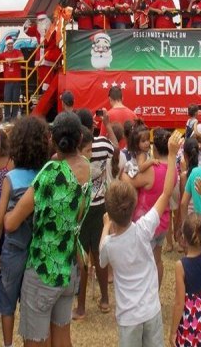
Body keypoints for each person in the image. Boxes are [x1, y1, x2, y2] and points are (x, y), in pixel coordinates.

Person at [4, 112, 91, 346]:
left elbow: (12, 222)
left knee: (36, 340)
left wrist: (5, 213)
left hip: (42, 269)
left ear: (51, 138)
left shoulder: (50, 174)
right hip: (68, 267)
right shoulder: (87, 169)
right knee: (63, 337)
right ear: (80, 137)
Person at [100, 131, 181, 347]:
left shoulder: (109, 245)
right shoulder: (144, 228)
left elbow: (100, 258)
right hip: (151, 309)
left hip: (128, 317)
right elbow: (166, 193)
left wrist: (106, 226)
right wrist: (172, 156)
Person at [0, 116, 50, 347]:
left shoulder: (11, 178)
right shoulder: (46, 174)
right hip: (38, 249)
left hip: (14, 249)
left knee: (7, 301)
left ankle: (7, 343)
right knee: (30, 301)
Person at [74, 108, 116, 318]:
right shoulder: (103, 144)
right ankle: (105, 299)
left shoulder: (75, 150)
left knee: (81, 256)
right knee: (100, 254)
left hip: (80, 207)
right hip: (100, 205)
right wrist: (107, 126)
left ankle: (80, 306)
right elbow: (117, 148)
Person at [124, 128, 179, 287]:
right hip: (162, 222)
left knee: (141, 264)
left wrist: (121, 172)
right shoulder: (172, 169)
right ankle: (155, 294)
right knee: (157, 260)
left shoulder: (151, 169)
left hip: (146, 224)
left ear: (154, 148)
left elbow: (129, 182)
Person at [169, 178, 201, 346]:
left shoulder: (181, 266)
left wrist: (173, 331)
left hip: (190, 321)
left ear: (184, 238)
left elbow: (179, 302)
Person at [0, 37, 24, 121]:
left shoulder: (17, 52)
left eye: (11, 44)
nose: (10, 45)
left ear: (13, 44)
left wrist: (11, 59)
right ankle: (7, 117)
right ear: (6, 45)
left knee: (15, 99)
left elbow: (22, 58)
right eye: (8, 44)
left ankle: (14, 117)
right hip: (7, 81)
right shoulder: (3, 54)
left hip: (16, 80)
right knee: (7, 99)